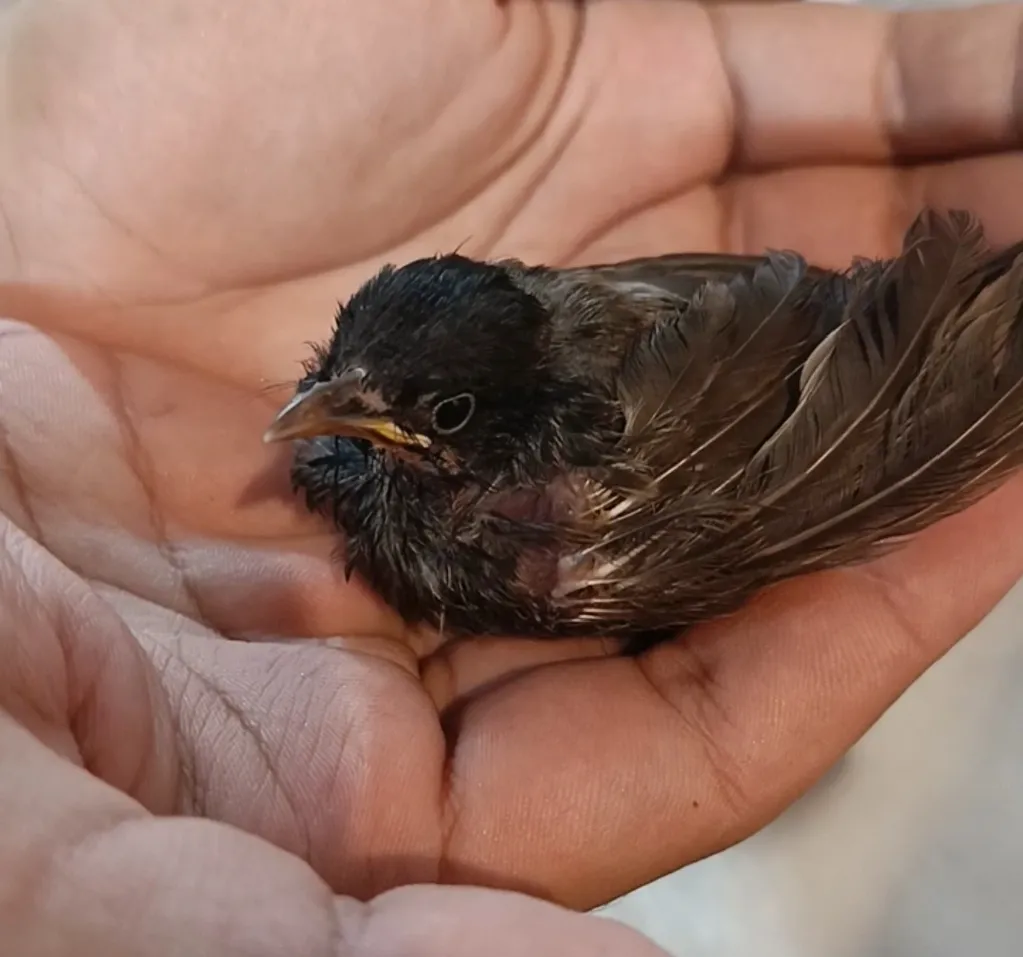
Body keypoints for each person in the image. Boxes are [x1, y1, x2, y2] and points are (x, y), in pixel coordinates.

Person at [1, 0, 1022, 953]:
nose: (326, 405)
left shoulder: (552, 528)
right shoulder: (457, 412)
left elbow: (764, 474)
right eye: (344, 367)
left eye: (435, 415)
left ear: (498, 409)